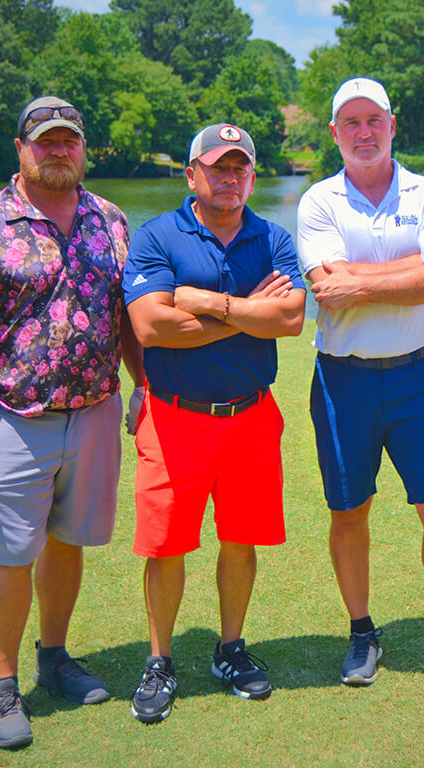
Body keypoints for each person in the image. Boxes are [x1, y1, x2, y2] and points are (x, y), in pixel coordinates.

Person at [0, 96, 144, 749]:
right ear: (21, 148)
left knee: (69, 540)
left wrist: (146, 388)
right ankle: (1, 685)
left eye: (68, 141)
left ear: (82, 148)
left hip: (95, 411)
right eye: (45, 141)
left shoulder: (110, 221)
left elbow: (126, 318)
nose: (58, 150)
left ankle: (55, 658)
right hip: (9, 415)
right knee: (11, 553)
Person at [297, 77, 424, 711]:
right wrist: (410, 274)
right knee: (349, 511)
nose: (364, 132)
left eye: (374, 119)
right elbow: (326, 288)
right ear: (335, 134)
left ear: (392, 124)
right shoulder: (319, 201)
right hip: (341, 379)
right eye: (351, 122)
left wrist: (362, 281)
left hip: (417, 376)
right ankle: (362, 632)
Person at [122, 123, 306, 722]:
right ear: (191, 173)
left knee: (240, 537)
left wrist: (205, 301)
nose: (230, 178)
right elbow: (151, 327)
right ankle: (159, 661)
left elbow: (292, 320)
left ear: (252, 175)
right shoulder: (155, 236)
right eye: (218, 167)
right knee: (167, 545)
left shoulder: (273, 237)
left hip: (251, 416)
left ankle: (231, 648)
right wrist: (253, 311)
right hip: (175, 418)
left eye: (241, 168)